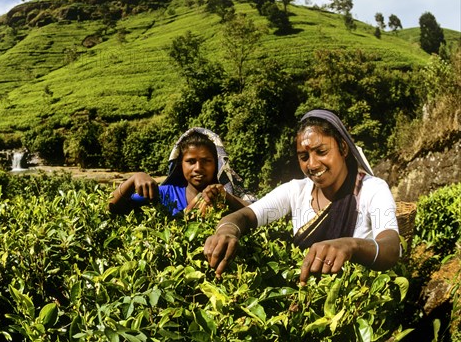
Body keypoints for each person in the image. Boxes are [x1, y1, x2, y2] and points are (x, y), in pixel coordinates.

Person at [204, 109, 400, 285]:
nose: (312, 165)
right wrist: (227, 231)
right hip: (304, 300)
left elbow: (391, 247)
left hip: (354, 305)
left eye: (321, 152)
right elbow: (246, 216)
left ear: (343, 148)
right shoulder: (295, 192)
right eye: (304, 157)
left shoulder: (371, 190)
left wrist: (351, 245)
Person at [108, 127, 253, 216]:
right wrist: (135, 178)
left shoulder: (229, 197)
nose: (198, 168)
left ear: (217, 164)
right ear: (180, 165)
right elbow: (112, 207)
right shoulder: (165, 194)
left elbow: (259, 212)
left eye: (206, 161)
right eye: (190, 161)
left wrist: (225, 197)